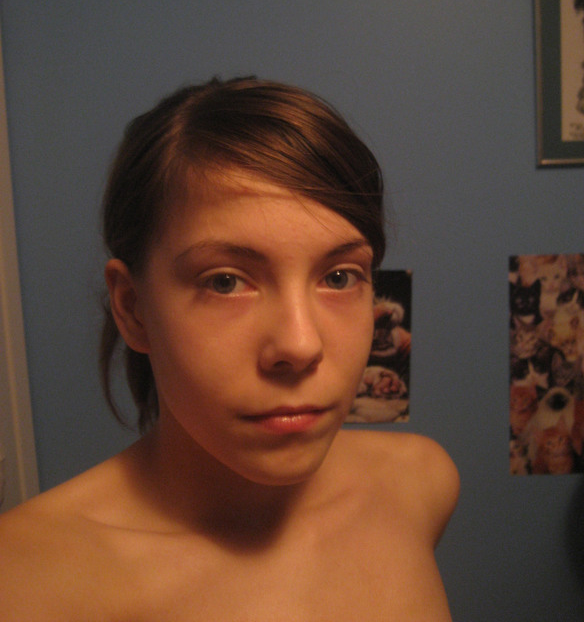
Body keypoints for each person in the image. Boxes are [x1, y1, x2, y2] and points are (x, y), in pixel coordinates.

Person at [0, 77, 459, 620]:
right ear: (133, 308)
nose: (300, 345)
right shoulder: (24, 584)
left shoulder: (419, 485)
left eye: (339, 277)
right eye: (225, 282)